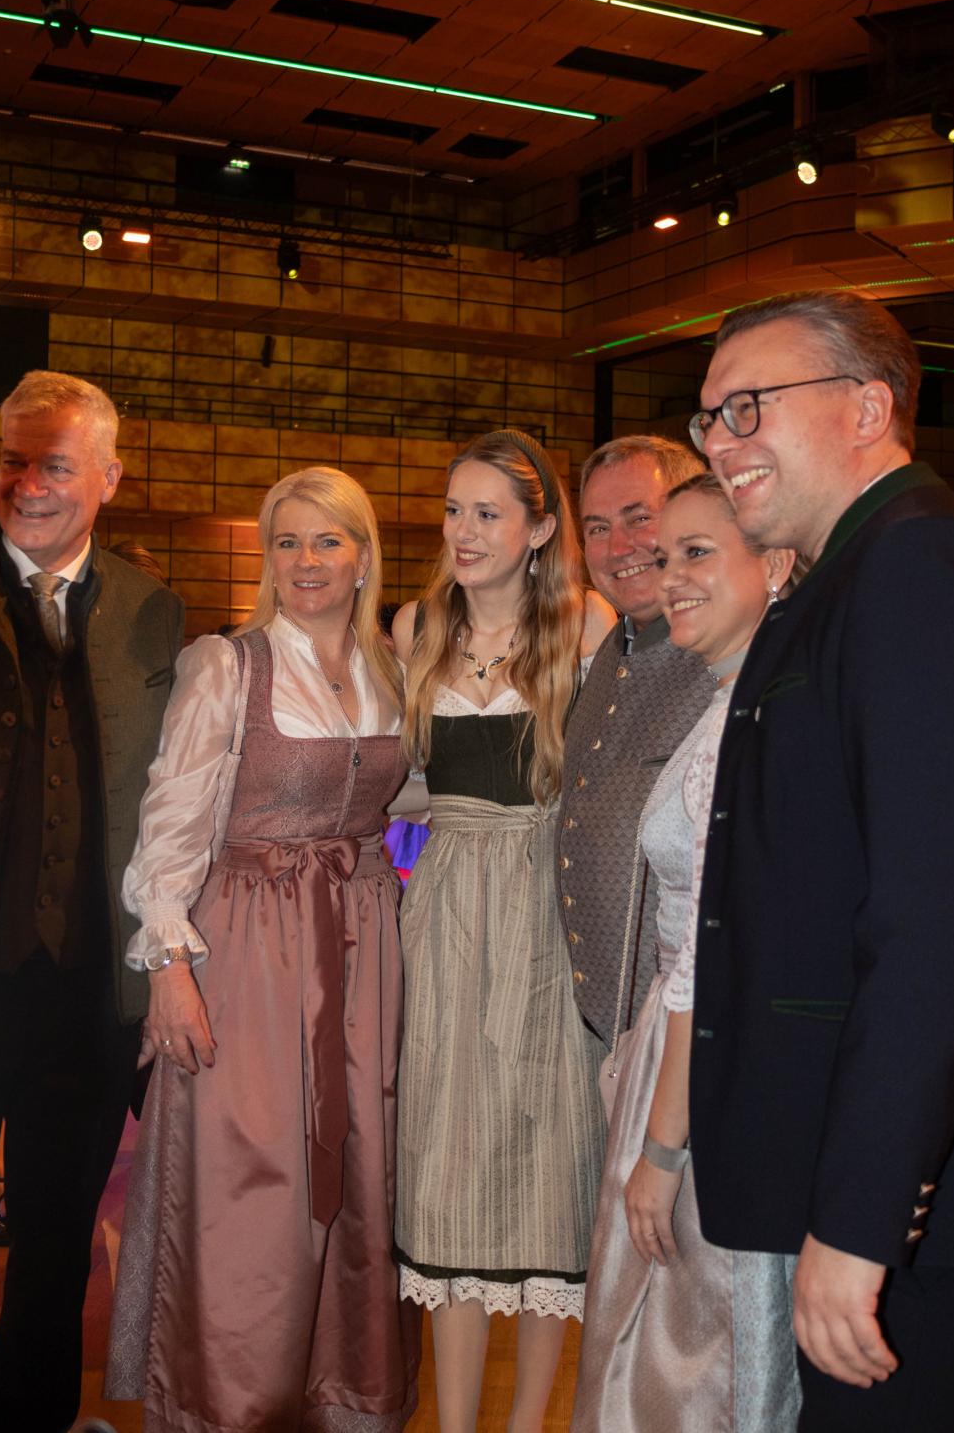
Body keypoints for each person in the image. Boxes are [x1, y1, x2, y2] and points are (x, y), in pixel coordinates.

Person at [687, 289, 954, 1433]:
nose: (721, 441)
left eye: (749, 406)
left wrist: (863, 1217)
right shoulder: (863, 568)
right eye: (709, 417)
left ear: (868, 407)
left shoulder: (923, 568)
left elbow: (940, 924)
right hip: (940, 1183)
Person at [105, 467, 420, 1432]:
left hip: (362, 941)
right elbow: (171, 823)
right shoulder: (227, 665)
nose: (306, 561)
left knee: (362, 1170)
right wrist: (170, 969)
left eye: (327, 540)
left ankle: (341, 1400)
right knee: (248, 1180)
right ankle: (225, 1404)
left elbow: (412, 798)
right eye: (286, 542)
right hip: (247, 946)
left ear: (363, 556)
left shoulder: (396, 670)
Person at [0, 370, 184, 1433]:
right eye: (10, 461)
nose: (27, 483)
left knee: (54, 1252)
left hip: (86, 1001)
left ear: (109, 478)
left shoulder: (155, 612)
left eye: (56, 464)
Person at [393, 428, 615, 1433]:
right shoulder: (416, 627)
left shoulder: (586, 624)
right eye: (454, 510)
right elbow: (400, 783)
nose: (465, 531)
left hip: (546, 908)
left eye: (488, 513)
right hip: (445, 907)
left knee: (547, 1163)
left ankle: (528, 1425)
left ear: (538, 529)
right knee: (446, 1166)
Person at [573, 472, 800, 1432]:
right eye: (665, 559)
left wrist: (664, 1148)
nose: (669, 577)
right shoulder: (729, 701)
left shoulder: (747, 724)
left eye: (697, 553)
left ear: (776, 563)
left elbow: (711, 949)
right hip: (674, 1054)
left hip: (703, 1072)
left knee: (682, 1357)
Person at [559, 436, 713, 1062]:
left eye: (638, 518)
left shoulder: (728, 660)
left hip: (690, 1031)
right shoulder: (608, 652)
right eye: (597, 527)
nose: (617, 547)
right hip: (600, 1034)